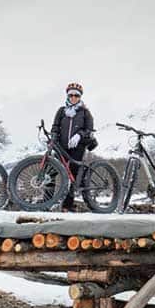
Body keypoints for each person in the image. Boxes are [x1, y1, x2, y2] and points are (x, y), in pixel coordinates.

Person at [51, 82, 97, 211]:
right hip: (61, 146)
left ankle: (68, 205)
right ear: (67, 96)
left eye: (76, 95)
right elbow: (55, 126)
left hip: (78, 147)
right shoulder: (61, 111)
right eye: (70, 95)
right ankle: (46, 201)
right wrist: (53, 137)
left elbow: (89, 130)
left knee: (72, 174)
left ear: (80, 97)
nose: (73, 97)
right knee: (51, 171)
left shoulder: (85, 112)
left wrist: (79, 135)